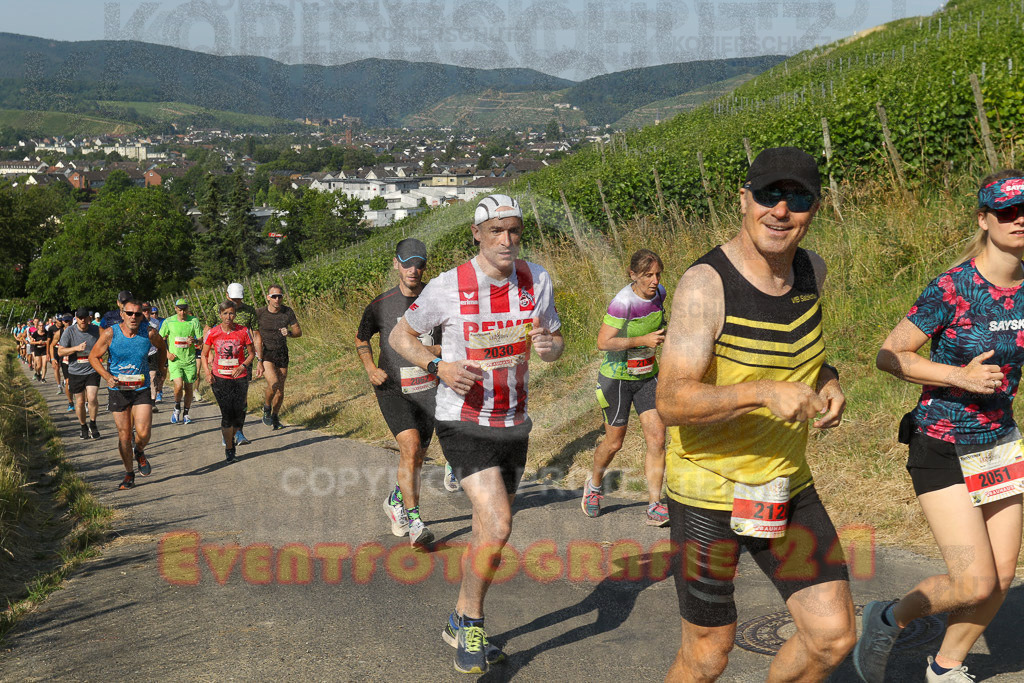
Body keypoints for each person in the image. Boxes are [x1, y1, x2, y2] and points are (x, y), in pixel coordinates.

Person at [655, 147, 854, 682]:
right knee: (707, 654)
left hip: (785, 484)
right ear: (743, 200)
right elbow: (671, 400)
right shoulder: (706, 285)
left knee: (831, 638)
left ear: (815, 208)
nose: (781, 211)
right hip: (709, 491)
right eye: (768, 195)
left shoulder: (812, 270)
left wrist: (827, 379)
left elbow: (796, 352)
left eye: (798, 199)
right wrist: (764, 392)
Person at [855, 170, 1024, 683]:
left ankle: (945, 666)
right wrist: (958, 376)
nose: (1019, 220)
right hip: (942, 443)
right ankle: (888, 618)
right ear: (984, 219)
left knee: (1001, 576)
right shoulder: (953, 287)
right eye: (1007, 212)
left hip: (1000, 445)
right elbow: (889, 354)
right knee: (972, 581)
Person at [390, 194, 563, 674]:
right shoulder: (448, 286)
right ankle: (473, 625)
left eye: (514, 231)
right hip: (462, 420)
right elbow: (400, 336)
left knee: (489, 530)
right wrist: (438, 366)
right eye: (496, 231)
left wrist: (549, 346)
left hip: (514, 421)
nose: (506, 240)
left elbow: (554, 341)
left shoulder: (538, 279)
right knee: (500, 522)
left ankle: (460, 615)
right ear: (476, 234)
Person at [357, 238, 447, 546]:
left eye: (419, 264)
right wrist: (370, 368)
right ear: (396, 264)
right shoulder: (381, 305)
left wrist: (434, 351)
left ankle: (395, 500)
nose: (413, 270)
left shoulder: (437, 300)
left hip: (428, 389)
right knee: (410, 446)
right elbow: (361, 338)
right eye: (407, 264)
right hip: (393, 388)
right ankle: (416, 522)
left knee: (418, 456)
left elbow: (452, 338)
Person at [583, 248, 669, 526]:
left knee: (657, 439)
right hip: (617, 379)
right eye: (648, 275)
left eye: (657, 274)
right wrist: (642, 340)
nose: (654, 281)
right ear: (633, 274)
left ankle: (654, 504)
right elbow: (603, 342)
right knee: (614, 443)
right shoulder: (622, 302)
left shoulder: (660, 293)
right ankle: (594, 486)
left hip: (647, 376)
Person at [90, 299, 168, 490]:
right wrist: (107, 376)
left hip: (141, 388)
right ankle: (129, 473)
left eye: (137, 314)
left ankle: (139, 451)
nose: (133, 317)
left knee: (144, 432)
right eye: (130, 313)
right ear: (122, 314)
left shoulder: (148, 333)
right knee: (124, 435)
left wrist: (161, 370)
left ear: (142, 316)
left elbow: (162, 348)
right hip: (118, 390)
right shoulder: (110, 334)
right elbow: (93, 357)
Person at [205, 283, 262, 445]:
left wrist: (260, 359)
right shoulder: (217, 308)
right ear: (227, 295)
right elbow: (207, 329)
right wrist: (209, 353)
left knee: (241, 401)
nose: (236, 302)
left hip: (243, 361)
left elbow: (256, 335)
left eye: (239, 299)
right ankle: (228, 431)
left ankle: (239, 432)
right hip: (221, 364)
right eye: (233, 299)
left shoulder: (250, 311)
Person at [202, 300, 256, 463]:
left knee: (238, 414)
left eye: (231, 313)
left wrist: (243, 366)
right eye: (225, 313)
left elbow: (252, 354)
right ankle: (230, 448)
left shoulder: (243, 331)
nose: (228, 317)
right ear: (220, 315)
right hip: (220, 379)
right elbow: (204, 354)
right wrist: (207, 372)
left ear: (235, 315)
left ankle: (231, 436)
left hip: (239, 378)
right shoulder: (213, 332)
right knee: (227, 414)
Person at [256, 284, 300, 430]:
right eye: (274, 296)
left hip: (282, 353)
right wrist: (257, 357)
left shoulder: (287, 312)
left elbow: (298, 332)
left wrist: (289, 333)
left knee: (280, 391)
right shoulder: (260, 313)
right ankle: (266, 407)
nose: (277, 299)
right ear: (268, 297)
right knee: (273, 383)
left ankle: (275, 417)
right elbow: (253, 333)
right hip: (267, 353)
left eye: (279, 296)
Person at [59, 308, 102, 439]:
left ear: (89, 318)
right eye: (80, 318)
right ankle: (83, 426)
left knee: (92, 398)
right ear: (76, 319)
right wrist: (76, 348)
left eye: (85, 317)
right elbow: (60, 351)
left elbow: (107, 342)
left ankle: (93, 424)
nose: (83, 320)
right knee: (80, 402)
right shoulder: (69, 331)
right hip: (75, 371)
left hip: (92, 370)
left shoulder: (96, 330)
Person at [160, 298, 203, 425]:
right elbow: (160, 339)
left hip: (189, 360)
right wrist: (167, 353)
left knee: (188, 387)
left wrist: (194, 341)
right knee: (178, 386)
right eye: (180, 310)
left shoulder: (194, 321)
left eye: (184, 310)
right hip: (175, 360)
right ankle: (177, 407)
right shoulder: (169, 321)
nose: (182, 312)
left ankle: (186, 413)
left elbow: (201, 340)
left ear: (187, 309)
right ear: (175, 309)